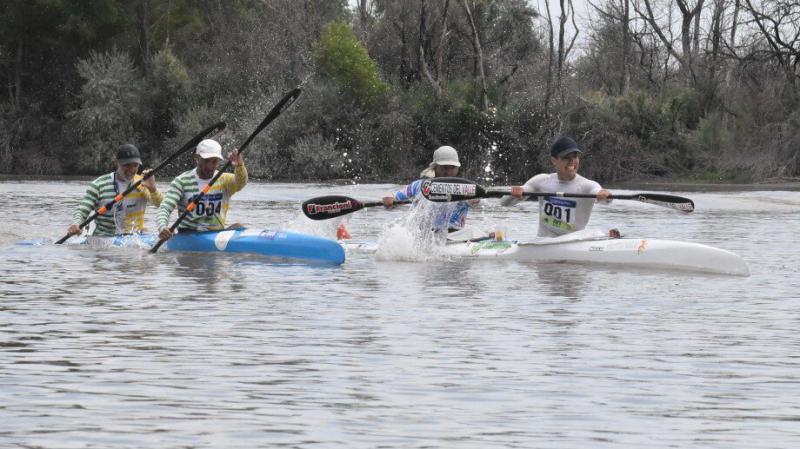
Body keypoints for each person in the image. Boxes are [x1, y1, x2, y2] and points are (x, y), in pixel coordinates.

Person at [501, 136, 612, 238]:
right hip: (542, 244)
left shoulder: (587, 186)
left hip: (572, 245)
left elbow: (605, 200)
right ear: (554, 160)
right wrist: (514, 194)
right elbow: (504, 203)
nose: (572, 161)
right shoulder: (541, 181)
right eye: (566, 158)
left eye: (575, 156)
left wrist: (604, 195)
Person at [157, 139, 247, 241]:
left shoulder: (224, 180)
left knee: (238, 227)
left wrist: (240, 165)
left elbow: (241, 183)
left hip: (216, 234)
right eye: (206, 161)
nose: (209, 166)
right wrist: (163, 227)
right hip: (189, 235)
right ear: (197, 158)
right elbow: (165, 208)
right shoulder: (181, 181)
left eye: (214, 161)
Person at [66, 144, 163, 237]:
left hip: (136, 238)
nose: (132, 169)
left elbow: (162, 205)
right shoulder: (98, 185)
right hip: (104, 238)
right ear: (117, 162)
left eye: (135, 165)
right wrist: (76, 224)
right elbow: (82, 211)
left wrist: (153, 189)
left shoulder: (143, 183)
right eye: (127, 165)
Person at [382, 145, 477, 233]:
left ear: (457, 169)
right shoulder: (419, 186)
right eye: (444, 167)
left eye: (452, 167)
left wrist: (475, 199)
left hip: (455, 235)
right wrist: (389, 200)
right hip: (424, 235)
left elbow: (481, 202)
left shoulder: (465, 188)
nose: (448, 172)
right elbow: (394, 196)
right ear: (435, 168)